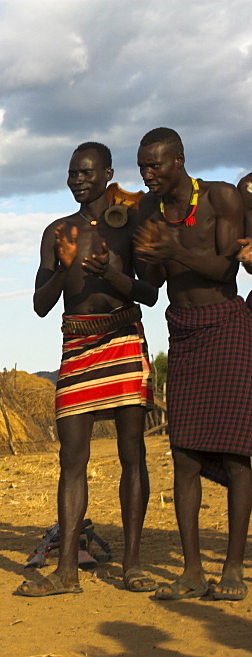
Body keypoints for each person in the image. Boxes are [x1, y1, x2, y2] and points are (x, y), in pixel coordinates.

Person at [16, 143, 159, 597]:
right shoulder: (56, 230)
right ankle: (66, 573)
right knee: (71, 461)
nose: (77, 179)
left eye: (86, 172)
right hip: (76, 346)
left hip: (122, 339)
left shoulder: (132, 224)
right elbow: (40, 305)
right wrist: (63, 267)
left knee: (131, 453)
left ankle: (132, 565)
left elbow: (150, 293)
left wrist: (111, 274)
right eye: (72, 173)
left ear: (107, 174)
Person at [134, 127, 251, 601]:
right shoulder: (147, 209)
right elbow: (154, 281)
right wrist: (150, 256)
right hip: (182, 331)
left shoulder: (222, 198)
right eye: (143, 166)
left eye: (156, 165)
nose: (148, 174)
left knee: (238, 456)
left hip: (227, 327)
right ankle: (192, 571)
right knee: (183, 455)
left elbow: (227, 270)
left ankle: (234, 570)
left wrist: (174, 249)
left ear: (179, 160)